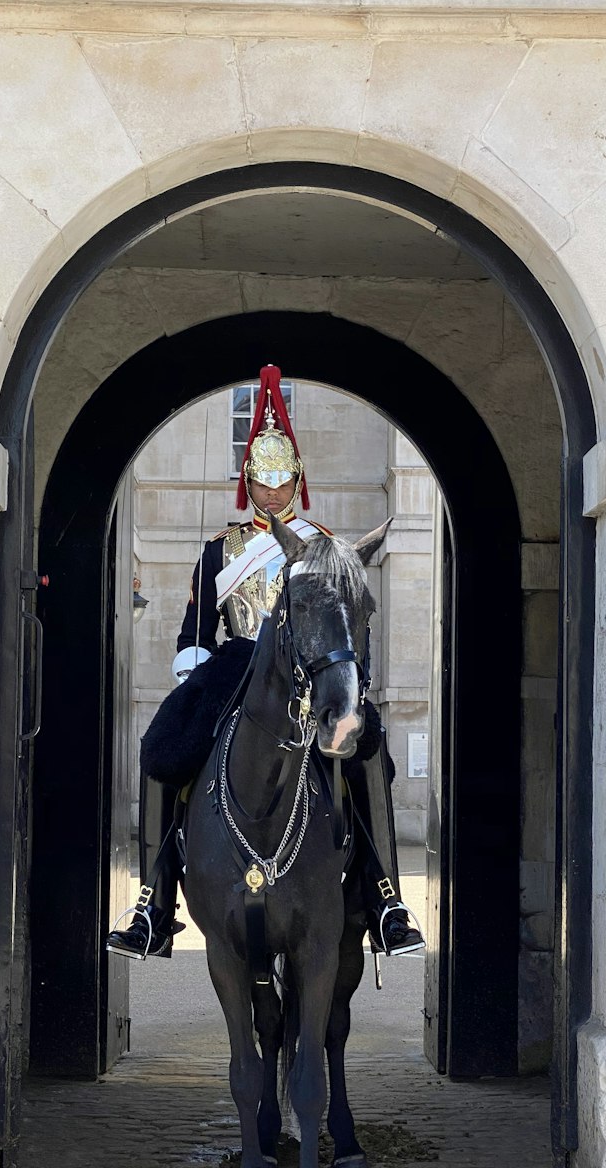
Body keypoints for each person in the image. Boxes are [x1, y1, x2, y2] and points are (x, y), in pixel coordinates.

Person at [106, 365, 425, 962]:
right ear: (247, 483)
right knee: (167, 748)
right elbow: (194, 632)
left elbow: (347, 618)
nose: (273, 493)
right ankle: (154, 900)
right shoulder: (220, 551)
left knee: (367, 751)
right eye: (263, 482)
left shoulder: (325, 546)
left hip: (310, 673)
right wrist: (192, 678)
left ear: (297, 481)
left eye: (283, 482)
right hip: (236, 668)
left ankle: (384, 896)